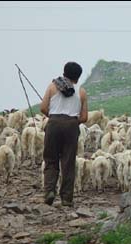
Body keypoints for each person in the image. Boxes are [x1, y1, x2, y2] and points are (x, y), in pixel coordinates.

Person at [40, 62, 88, 207]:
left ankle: (49, 191)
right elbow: (84, 117)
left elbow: (43, 108)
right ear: (78, 77)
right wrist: (72, 122)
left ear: (64, 73)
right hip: (71, 127)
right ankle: (66, 198)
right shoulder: (81, 92)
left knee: (50, 159)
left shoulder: (52, 86)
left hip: (53, 124)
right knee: (68, 162)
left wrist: (54, 117)